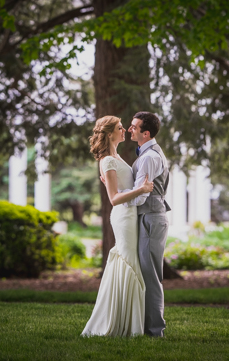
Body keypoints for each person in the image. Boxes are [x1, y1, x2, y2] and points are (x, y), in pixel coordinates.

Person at [81, 116, 154, 337]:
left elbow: (120, 187)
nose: (125, 130)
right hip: (123, 216)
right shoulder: (107, 161)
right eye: (120, 128)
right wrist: (141, 190)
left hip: (130, 213)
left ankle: (124, 318)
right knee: (128, 261)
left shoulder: (117, 157)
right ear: (110, 133)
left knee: (128, 261)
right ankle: (123, 324)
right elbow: (113, 198)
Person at [127, 111, 170, 338]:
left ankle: (155, 331)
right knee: (147, 274)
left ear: (146, 133)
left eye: (133, 127)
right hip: (149, 217)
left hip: (151, 218)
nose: (129, 129)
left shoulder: (149, 157)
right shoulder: (148, 154)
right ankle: (146, 326)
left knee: (151, 276)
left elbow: (140, 197)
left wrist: (117, 194)